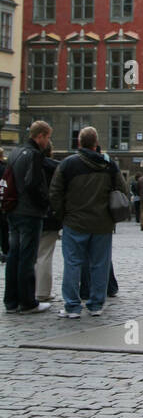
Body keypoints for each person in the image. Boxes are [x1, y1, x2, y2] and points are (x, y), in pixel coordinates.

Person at [49, 126, 126, 317]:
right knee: (100, 264)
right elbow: (122, 190)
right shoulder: (109, 164)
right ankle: (96, 305)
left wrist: (62, 215)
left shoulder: (68, 164)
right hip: (102, 223)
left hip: (75, 222)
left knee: (73, 263)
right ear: (96, 143)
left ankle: (72, 306)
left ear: (79, 142)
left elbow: (55, 193)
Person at [4, 120, 53, 314]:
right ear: (40, 136)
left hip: (13, 210)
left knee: (13, 256)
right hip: (29, 212)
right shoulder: (33, 155)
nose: (48, 141)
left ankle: (11, 301)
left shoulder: (15, 152)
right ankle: (27, 301)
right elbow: (33, 184)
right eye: (47, 137)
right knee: (27, 257)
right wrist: (44, 203)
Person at [35, 143, 61, 302]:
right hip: (50, 216)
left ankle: (30, 288)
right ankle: (43, 291)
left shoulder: (29, 164)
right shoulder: (55, 167)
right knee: (45, 254)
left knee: (32, 254)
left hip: (30, 214)